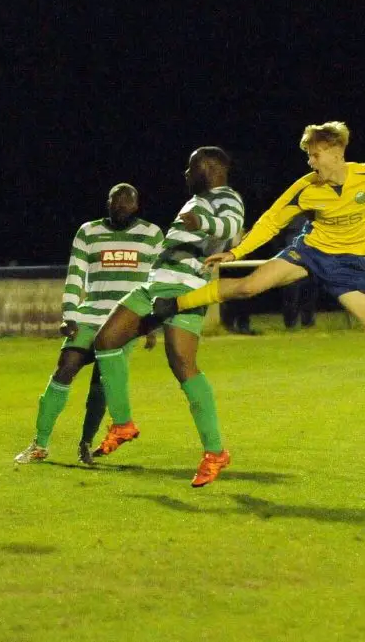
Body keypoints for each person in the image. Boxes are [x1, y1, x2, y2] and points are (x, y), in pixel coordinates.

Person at [153, 122, 365, 436]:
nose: (310, 163)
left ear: (336, 153)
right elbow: (271, 221)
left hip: (349, 268)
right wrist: (235, 254)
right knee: (248, 286)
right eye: (308, 156)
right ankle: (173, 303)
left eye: (315, 155)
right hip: (310, 252)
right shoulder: (305, 188)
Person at [92, 147, 244, 487]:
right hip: (155, 286)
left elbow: (231, 225)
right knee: (106, 341)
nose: (185, 174)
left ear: (208, 167)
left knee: (182, 365)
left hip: (185, 289)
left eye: (190, 168)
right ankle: (122, 423)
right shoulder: (199, 199)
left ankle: (215, 451)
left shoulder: (225, 197)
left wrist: (202, 222)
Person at [14, 183, 163, 466]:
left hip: (125, 321)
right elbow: (75, 275)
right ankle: (40, 444)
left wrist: (151, 323)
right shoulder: (89, 232)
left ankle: (85, 444)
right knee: (65, 368)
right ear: (107, 203)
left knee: (101, 384)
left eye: (127, 203)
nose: (121, 207)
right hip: (90, 315)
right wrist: (69, 314)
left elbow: (155, 282)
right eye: (116, 202)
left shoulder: (152, 234)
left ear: (136, 206)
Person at [280, 213, 318, 329]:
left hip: (310, 251)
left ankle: (308, 321)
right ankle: (290, 323)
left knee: (310, 288)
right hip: (292, 253)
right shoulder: (291, 212)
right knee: (292, 289)